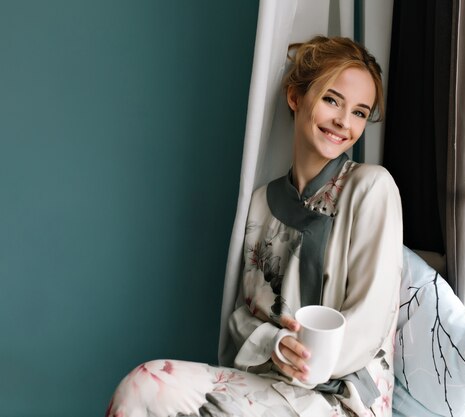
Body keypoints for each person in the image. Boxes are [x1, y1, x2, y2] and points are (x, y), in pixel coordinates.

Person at [105, 35, 403, 417]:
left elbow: (371, 319)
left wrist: (310, 361)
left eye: (361, 112)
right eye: (332, 100)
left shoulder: (372, 188)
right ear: (296, 96)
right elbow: (244, 319)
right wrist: (277, 346)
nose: (344, 123)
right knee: (143, 387)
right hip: (268, 384)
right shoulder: (263, 201)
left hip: (340, 399)